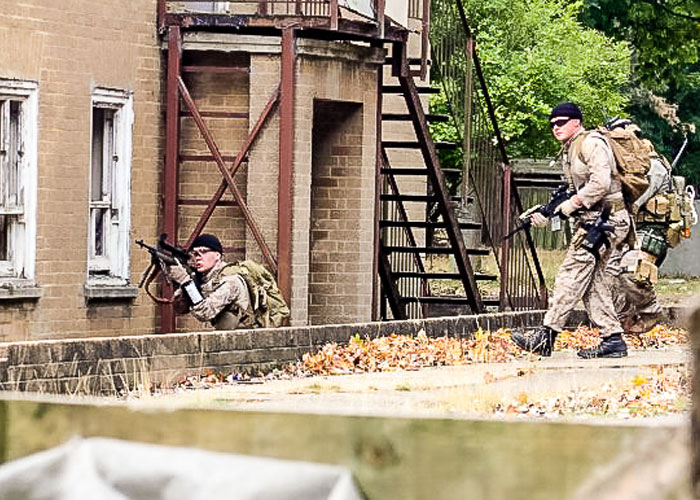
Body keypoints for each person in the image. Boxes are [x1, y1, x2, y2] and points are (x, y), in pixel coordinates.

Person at [511, 102, 631, 358]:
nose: (556, 127)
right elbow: (573, 189)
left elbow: (600, 183)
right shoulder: (570, 149)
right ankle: (613, 339)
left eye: (561, 122)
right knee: (592, 283)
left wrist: (571, 205)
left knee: (570, 275)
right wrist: (548, 211)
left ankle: (546, 336)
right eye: (552, 124)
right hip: (597, 220)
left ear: (576, 122)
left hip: (605, 221)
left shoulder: (591, 143)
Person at [166, 233, 254, 330]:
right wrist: (181, 284)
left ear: (217, 255)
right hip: (228, 336)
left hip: (246, 337)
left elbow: (204, 313)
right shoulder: (205, 279)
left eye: (203, 252)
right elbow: (180, 308)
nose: (198, 257)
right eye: (195, 253)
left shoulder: (231, 281)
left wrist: (186, 281)